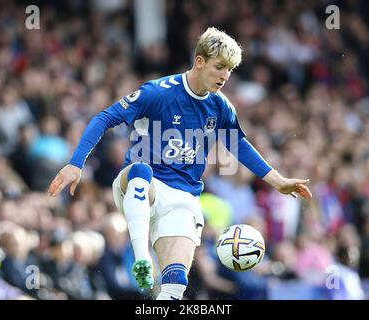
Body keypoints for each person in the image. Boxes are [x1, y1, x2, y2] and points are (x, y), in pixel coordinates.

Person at [47, 27, 312, 300]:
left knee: (174, 287)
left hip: (183, 198)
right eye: (219, 67)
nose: (225, 76)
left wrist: (278, 180)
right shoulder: (158, 92)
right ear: (199, 61)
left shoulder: (220, 107)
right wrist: (76, 163)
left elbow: (239, 145)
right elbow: (105, 118)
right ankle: (143, 259)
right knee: (142, 170)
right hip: (140, 187)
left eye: (230, 70)